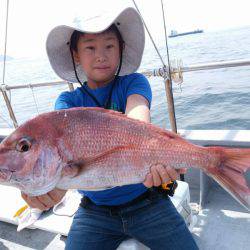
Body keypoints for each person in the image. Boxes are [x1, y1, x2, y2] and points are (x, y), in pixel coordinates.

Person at [22, 7, 198, 250]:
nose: (101, 55)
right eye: (90, 47)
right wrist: (47, 192)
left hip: (147, 201)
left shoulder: (133, 83)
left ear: (121, 49)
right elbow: (62, 170)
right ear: (76, 54)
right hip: (94, 212)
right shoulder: (66, 104)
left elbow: (139, 123)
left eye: (109, 46)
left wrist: (161, 159)